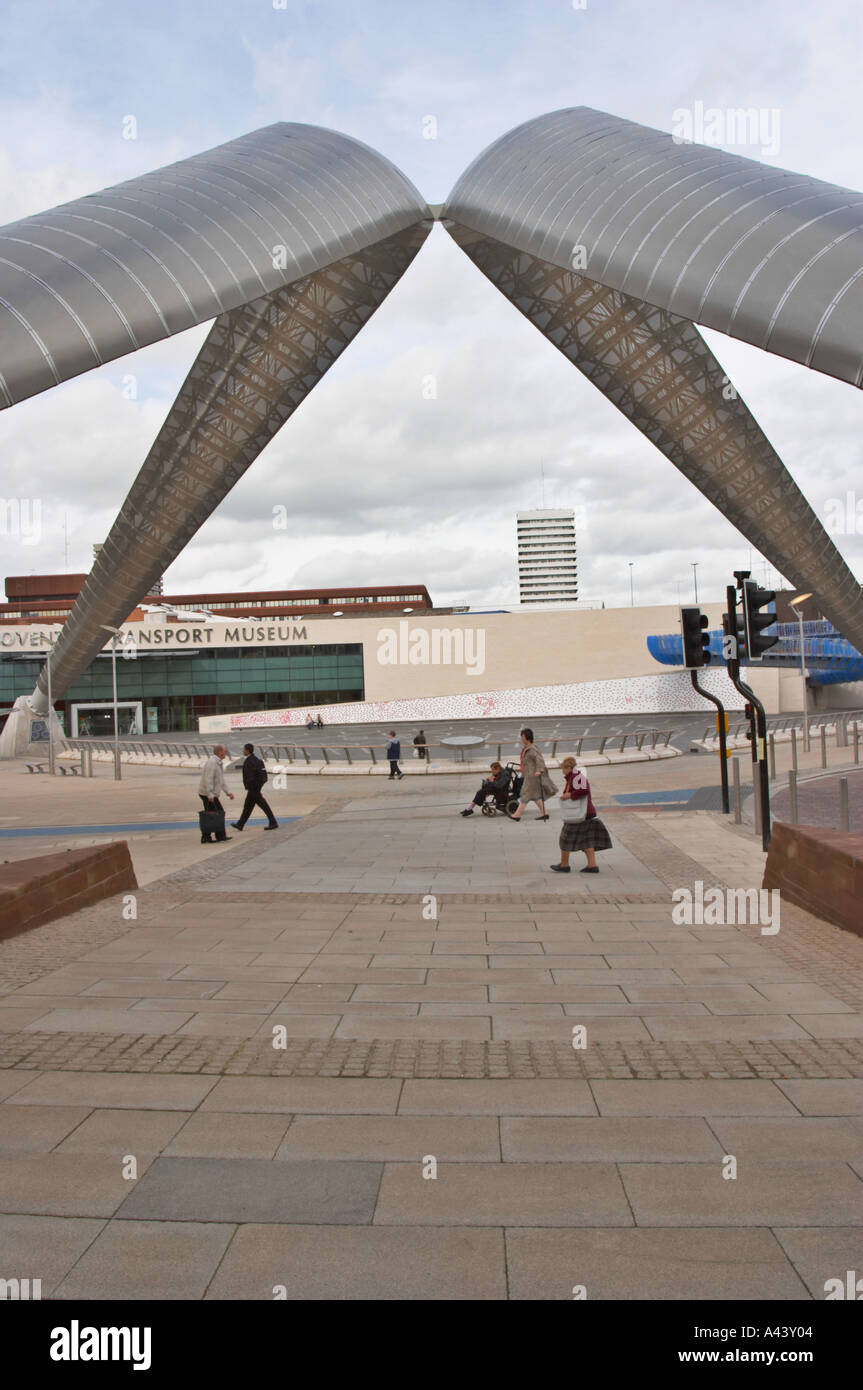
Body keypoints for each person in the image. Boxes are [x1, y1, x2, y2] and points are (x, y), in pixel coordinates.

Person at [551, 755, 613, 874]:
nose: (562, 771)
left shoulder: (576, 777)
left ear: (569, 767)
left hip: (580, 814)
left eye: (563, 768)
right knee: (587, 840)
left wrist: (569, 795)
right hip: (586, 813)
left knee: (564, 838)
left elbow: (583, 791)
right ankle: (592, 865)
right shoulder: (574, 777)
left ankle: (564, 865)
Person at [507, 728, 557, 821]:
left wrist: (539, 770)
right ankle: (544, 814)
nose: (521, 739)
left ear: (527, 737)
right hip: (529, 775)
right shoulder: (528, 748)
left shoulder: (532, 749)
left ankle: (517, 815)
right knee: (535, 796)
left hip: (533, 777)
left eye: (522, 736)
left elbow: (540, 760)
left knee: (525, 794)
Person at [231, 742, 278, 832]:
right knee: (248, 806)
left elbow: (249, 776)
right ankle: (240, 824)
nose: (243, 751)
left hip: (253, 789)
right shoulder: (257, 760)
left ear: (247, 751)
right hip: (255, 788)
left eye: (244, 749)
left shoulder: (249, 761)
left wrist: (250, 786)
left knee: (263, 805)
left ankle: (273, 822)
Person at [198, 744, 234, 843]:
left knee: (212, 814)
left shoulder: (218, 763)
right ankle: (214, 836)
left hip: (210, 793)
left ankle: (211, 836)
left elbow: (221, 780)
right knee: (215, 813)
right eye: (224, 751)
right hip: (206, 793)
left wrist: (228, 792)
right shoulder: (212, 763)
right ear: (220, 752)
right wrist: (209, 794)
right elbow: (208, 779)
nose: (226, 753)